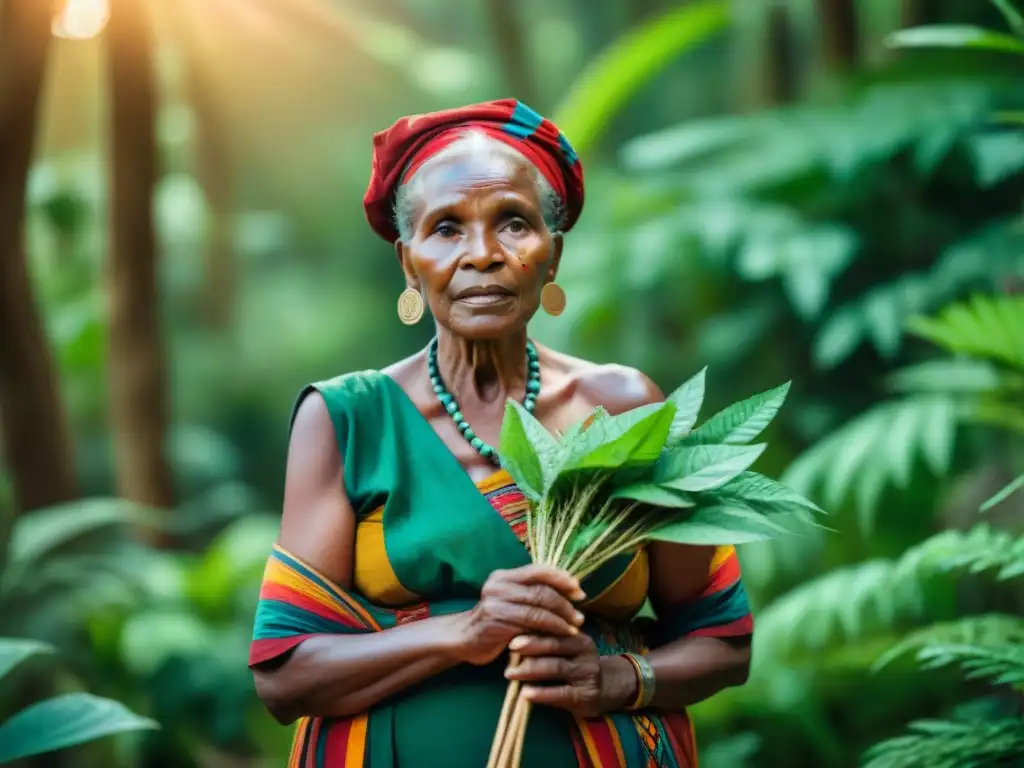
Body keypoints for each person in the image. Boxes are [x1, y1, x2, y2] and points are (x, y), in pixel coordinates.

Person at [249, 99, 753, 768]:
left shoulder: (624, 407)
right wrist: (468, 631)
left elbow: (723, 641)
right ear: (408, 262)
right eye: (447, 229)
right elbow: (284, 676)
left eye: (512, 223)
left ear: (553, 253)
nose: (482, 254)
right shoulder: (346, 421)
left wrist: (618, 680)